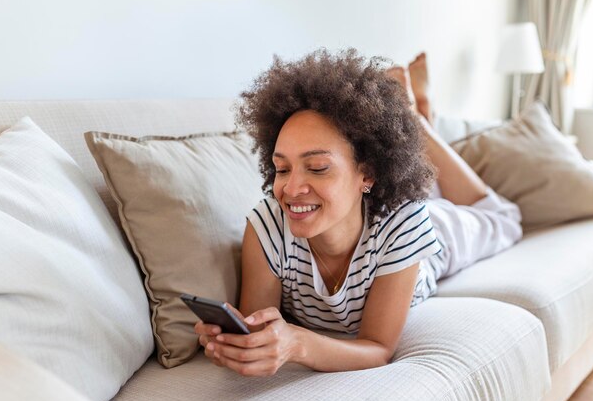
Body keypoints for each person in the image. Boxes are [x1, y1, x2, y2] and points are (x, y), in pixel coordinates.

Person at [194, 49, 522, 377]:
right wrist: (237, 345)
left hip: (430, 232)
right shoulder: (267, 226)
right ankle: (414, 116)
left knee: (504, 219)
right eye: (282, 168)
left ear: (367, 173)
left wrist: (298, 343)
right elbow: (260, 330)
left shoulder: (407, 221)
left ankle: (417, 120)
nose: (291, 189)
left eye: (318, 168)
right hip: (364, 206)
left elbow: (377, 348)